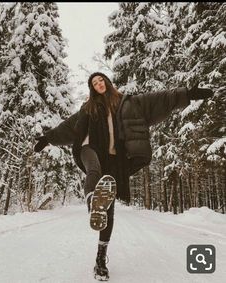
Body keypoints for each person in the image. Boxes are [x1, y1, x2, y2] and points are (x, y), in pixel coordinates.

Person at [34, 72, 213, 281]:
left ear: (107, 83)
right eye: (94, 83)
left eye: (101, 80)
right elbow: (68, 127)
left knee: (108, 213)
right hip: (88, 149)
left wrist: (188, 94)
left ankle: (100, 258)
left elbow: (159, 99)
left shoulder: (128, 103)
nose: (98, 84)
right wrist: (47, 138)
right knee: (94, 169)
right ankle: (93, 202)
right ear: (92, 88)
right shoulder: (88, 108)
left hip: (113, 160)